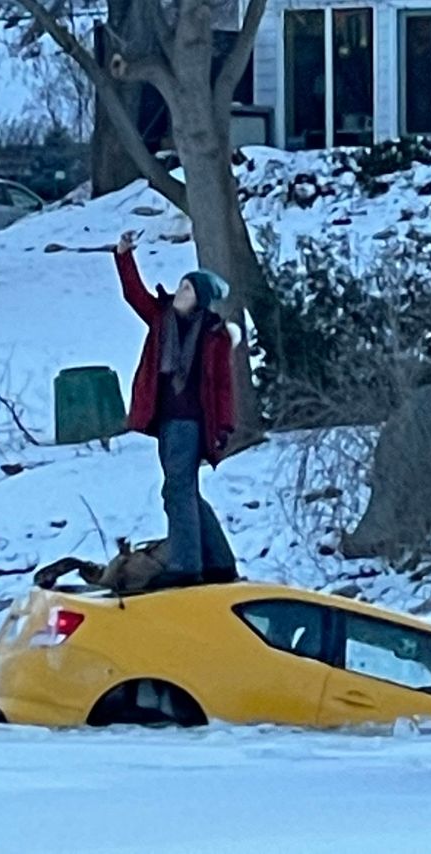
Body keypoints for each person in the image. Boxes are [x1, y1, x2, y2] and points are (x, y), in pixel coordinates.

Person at [114, 229, 238, 587]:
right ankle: (219, 561)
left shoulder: (213, 334)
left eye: (187, 288)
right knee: (184, 490)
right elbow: (133, 294)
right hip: (166, 420)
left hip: (192, 422)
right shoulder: (161, 318)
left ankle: (187, 565)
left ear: (198, 299)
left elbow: (222, 385)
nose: (179, 292)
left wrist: (224, 427)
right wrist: (124, 256)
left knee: (177, 490)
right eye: (181, 286)